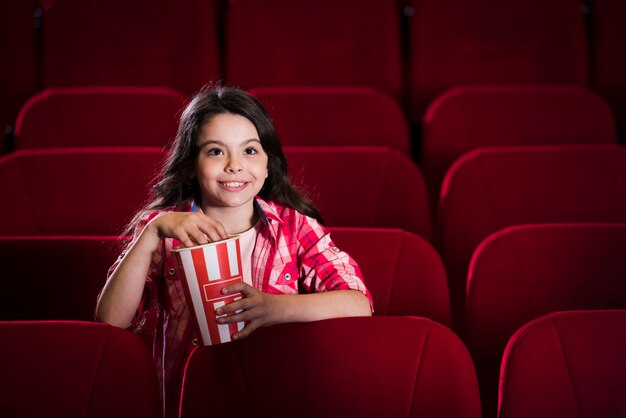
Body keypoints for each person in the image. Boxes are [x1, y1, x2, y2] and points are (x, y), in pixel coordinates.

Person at [95, 84, 373, 418]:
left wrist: (273, 308)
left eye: (250, 151)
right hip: (184, 403)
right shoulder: (162, 231)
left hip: (272, 397)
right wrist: (152, 233)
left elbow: (359, 303)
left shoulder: (296, 229)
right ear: (191, 164)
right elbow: (110, 319)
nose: (234, 165)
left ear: (269, 163)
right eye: (215, 151)